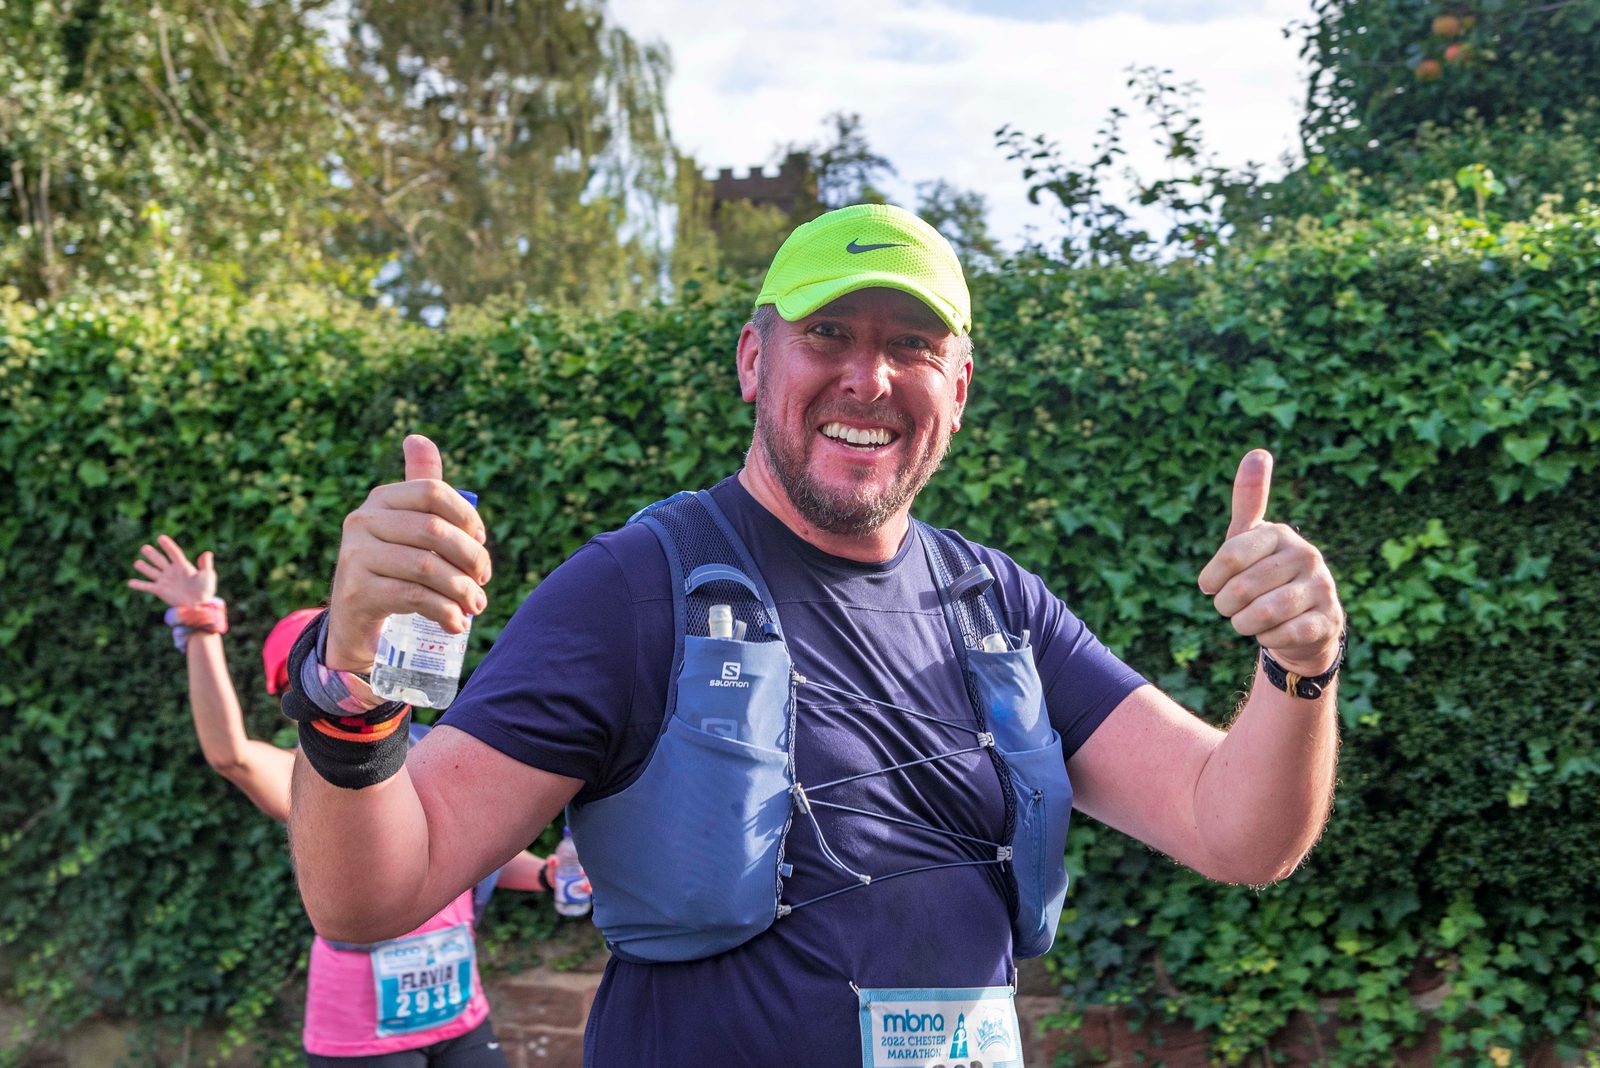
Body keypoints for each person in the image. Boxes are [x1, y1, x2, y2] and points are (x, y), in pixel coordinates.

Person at [284, 203, 1344, 1066]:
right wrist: (347, 683)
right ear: (754, 359)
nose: (867, 377)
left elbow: (1239, 832)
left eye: (912, 345)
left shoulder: (999, 606)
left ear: (959, 389)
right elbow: (368, 898)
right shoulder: (633, 593)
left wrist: (1299, 671)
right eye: (827, 333)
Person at [129, 534, 560, 1067]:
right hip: (362, 1038)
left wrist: (544, 875)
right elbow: (231, 754)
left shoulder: (430, 744)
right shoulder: (311, 779)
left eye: (355, 661)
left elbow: (463, 849)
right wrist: (199, 625)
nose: (345, 685)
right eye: (312, 677)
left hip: (459, 1016)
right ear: (294, 697)